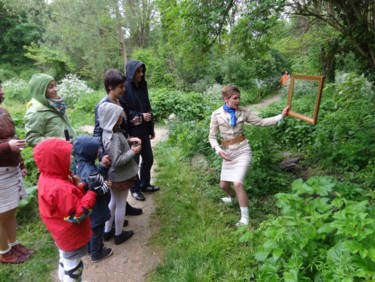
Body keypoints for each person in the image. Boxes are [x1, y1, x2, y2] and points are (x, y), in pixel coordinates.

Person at [208, 85, 289, 227]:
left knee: (237, 183)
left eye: (239, 98)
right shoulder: (216, 115)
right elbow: (212, 137)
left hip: (243, 150)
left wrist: (281, 116)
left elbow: (262, 122)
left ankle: (245, 218)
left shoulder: (243, 112)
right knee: (223, 185)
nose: (238, 101)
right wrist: (218, 150)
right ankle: (232, 198)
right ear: (226, 99)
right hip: (227, 153)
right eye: (235, 98)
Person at [33, 138, 107, 281]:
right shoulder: (59, 188)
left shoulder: (48, 177)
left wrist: (78, 186)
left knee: (64, 259)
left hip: (59, 230)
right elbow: (77, 215)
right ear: (55, 160)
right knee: (74, 267)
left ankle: (64, 277)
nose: (72, 158)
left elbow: (64, 204)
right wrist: (91, 192)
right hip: (70, 235)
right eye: (67, 156)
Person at [93, 68, 143, 216]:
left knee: (123, 179)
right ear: (110, 86)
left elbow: (121, 123)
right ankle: (114, 222)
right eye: (121, 86)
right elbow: (98, 131)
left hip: (123, 143)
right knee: (115, 184)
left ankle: (123, 209)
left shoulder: (119, 100)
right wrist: (101, 154)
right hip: (113, 150)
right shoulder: (103, 105)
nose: (124, 89)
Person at [0, 80, 34, 264]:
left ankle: (13, 244)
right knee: (2, 214)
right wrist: (7, 147)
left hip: (11, 168)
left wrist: (20, 163)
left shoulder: (3, 111)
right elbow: (7, 143)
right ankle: (3, 252)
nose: (2, 91)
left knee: (11, 210)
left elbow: (11, 138)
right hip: (1, 172)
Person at [98, 102, 140, 245]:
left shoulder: (108, 132)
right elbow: (117, 160)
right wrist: (132, 151)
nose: (122, 120)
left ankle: (107, 230)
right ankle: (119, 234)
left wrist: (129, 141)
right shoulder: (114, 136)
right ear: (111, 119)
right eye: (119, 118)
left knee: (113, 202)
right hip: (120, 176)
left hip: (112, 176)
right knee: (121, 204)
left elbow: (117, 147)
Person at [120, 60, 160, 202]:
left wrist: (151, 128)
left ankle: (144, 184)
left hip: (144, 129)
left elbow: (147, 107)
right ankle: (135, 189)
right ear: (131, 72)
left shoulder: (143, 85)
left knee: (148, 158)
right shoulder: (124, 87)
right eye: (138, 71)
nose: (141, 74)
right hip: (132, 131)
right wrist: (140, 116)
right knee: (134, 162)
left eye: (142, 71)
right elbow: (123, 112)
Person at [73, 135, 113, 263]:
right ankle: (97, 253)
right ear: (89, 152)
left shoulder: (79, 165)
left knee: (91, 229)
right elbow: (96, 190)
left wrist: (101, 166)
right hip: (96, 207)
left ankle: (90, 249)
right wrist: (107, 185)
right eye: (96, 150)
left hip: (87, 206)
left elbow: (90, 181)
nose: (98, 152)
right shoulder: (90, 169)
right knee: (97, 230)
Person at [24, 73, 76, 147]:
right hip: (53, 155)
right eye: (51, 87)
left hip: (66, 151)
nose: (55, 89)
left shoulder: (56, 105)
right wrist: (58, 141)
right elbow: (32, 139)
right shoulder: (36, 112)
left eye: (55, 86)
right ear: (41, 90)